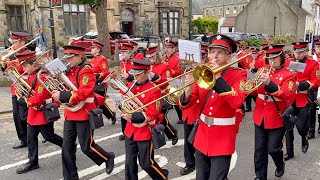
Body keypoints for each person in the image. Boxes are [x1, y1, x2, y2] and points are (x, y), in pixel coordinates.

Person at [180, 34, 247, 180]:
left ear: (228, 56)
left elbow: (237, 102)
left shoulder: (238, 74)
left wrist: (218, 78)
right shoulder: (203, 72)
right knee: (201, 177)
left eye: (220, 52)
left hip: (223, 137)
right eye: (212, 51)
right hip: (202, 135)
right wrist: (188, 90)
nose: (214, 56)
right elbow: (188, 105)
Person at [51, 45, 115, 179]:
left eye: (71, 58)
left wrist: (62, 96)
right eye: (67, 58)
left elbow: (84, 92)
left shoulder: (86, 71)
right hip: (71, 112)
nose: (68, 61)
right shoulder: (69, 70)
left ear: (80, 56)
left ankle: (108, 157)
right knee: (66, 148)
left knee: (86, 147)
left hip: (84, 112)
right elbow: (63, 87)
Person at [252, 44, 296, 180]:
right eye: (269, 58)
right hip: (260, 115)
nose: (272, 61)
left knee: (273, 149)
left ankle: (279, 164)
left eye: (275, 58)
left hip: (276, 116)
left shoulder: (289, 74)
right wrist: (251, 82)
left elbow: (287, 95)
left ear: (281, 57)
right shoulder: (262, 71)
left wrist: (269, 83)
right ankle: (260, 176)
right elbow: (254, 91)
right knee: (259, 150)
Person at [15, 51, 63, 174]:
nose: (23, 68)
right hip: (34, 113)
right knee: (31, 137)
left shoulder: (42, 76)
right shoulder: (32, 75)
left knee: (48, 136)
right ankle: (33, 162)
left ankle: (68, 145)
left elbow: (38, 98)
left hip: (42, 111)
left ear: (34, 65)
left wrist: (25, 100)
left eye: (26, 66)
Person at [121, 59, 169, 180]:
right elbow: (123, 103)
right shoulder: (129, 87)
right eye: (134, 74)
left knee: (146, 163)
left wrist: (132, 116)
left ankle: (162, 177)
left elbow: (152, 114)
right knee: (129, 163)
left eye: (138, 74)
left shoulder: (154, 90)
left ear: (147, 73)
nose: (135, 77)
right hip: (130, 130)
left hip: (145, 132)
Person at [284, 41, 320, 161]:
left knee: (301, 127)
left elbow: (316, 80)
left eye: (300, 52)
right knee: (288, 126)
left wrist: (301, 84)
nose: (297, 55)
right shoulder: (288, 62)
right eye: (296, 52)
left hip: (303, 99)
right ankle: (289, 151)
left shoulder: (313, 63)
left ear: (306, 51)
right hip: (289, 99)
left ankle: (304, 137)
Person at [146, 46, 179, 146]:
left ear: (157, 56)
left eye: (152, 57)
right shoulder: (147, 67)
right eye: (148, 57)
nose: (150, 59)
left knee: (161, 118)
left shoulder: (164, 66)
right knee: (154, 118)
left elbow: (166, 82)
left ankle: (173, 134)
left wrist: (154, 76)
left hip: (163, 95)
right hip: (151, 96)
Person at [4, 32, 30, 149]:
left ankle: (43, 132)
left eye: (14, 43)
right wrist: (4, 64)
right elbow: (7, 72)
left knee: (25, 116)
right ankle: (24, 139)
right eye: (12, 43)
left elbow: (21, 69)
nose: (12, 45)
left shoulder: (28, 54)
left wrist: (11, 61)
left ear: (22, 42)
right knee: (17, 116)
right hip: (16, 89)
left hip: (26, 89)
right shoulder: (14, 55)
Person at [90, 41, 116, 125]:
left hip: (100, 84)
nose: (91, 49)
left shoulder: (102, 59)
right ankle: (97, 119)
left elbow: (105, 73)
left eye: (93, 48)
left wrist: (96, 76)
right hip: (94, 84)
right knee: (94, 102)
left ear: (98, 50)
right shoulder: (93, 60)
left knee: (100, 103)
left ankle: (111, 115)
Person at [162, 40, 183, 124]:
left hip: (175, 81)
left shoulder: (177, 58)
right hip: (166, 81)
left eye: (169, 48)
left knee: (176, 101)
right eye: (166, 47)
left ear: (174, 49)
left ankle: (181, 117)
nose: (167, 49)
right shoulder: (164, 57)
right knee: (168, 99)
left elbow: (179, 71)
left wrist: (170, 71)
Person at [307, 39, 320, 139]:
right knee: (311, 108)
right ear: (315, 48)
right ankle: (311, 130)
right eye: (318, 46)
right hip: (313, 86)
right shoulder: (311, 58)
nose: (319, 48)